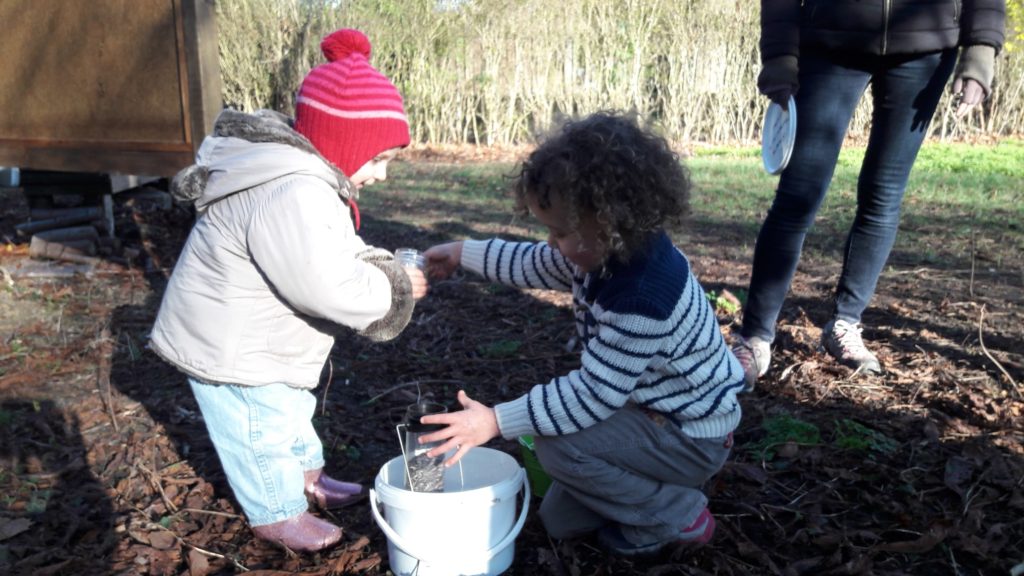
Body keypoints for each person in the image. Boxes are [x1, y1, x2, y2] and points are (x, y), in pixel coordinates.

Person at [149, 29, 427, 552]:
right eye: (379, 157)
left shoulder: (304, 182)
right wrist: (393, 290)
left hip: (257, 338)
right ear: (345, 143)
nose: (383, 174)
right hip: (230, 350)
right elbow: (325, 285)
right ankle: (276, 511)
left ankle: (307, 475)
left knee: (289, 410)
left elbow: (332, 250)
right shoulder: (292, 190)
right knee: (260, 428)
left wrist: (378, 265)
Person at [420, 112, 745, 556]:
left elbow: (593, 394)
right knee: (559, 522)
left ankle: (679, 513)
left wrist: (495, 421)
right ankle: (646, 491)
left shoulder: (642, 295)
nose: (552, 242)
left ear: (610, 220)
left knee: (557, 449)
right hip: (651, 415)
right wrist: (463, 253)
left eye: (559, 231)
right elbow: (534, 262)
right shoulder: (602, 250)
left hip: (689, 435)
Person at [734, 0, 1006, 386]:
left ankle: (845, 324)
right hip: (830, 41)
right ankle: (756, 336)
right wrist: (779, 53)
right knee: (797, 195)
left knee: (884, 194)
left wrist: (980, 51)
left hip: (926, 47)